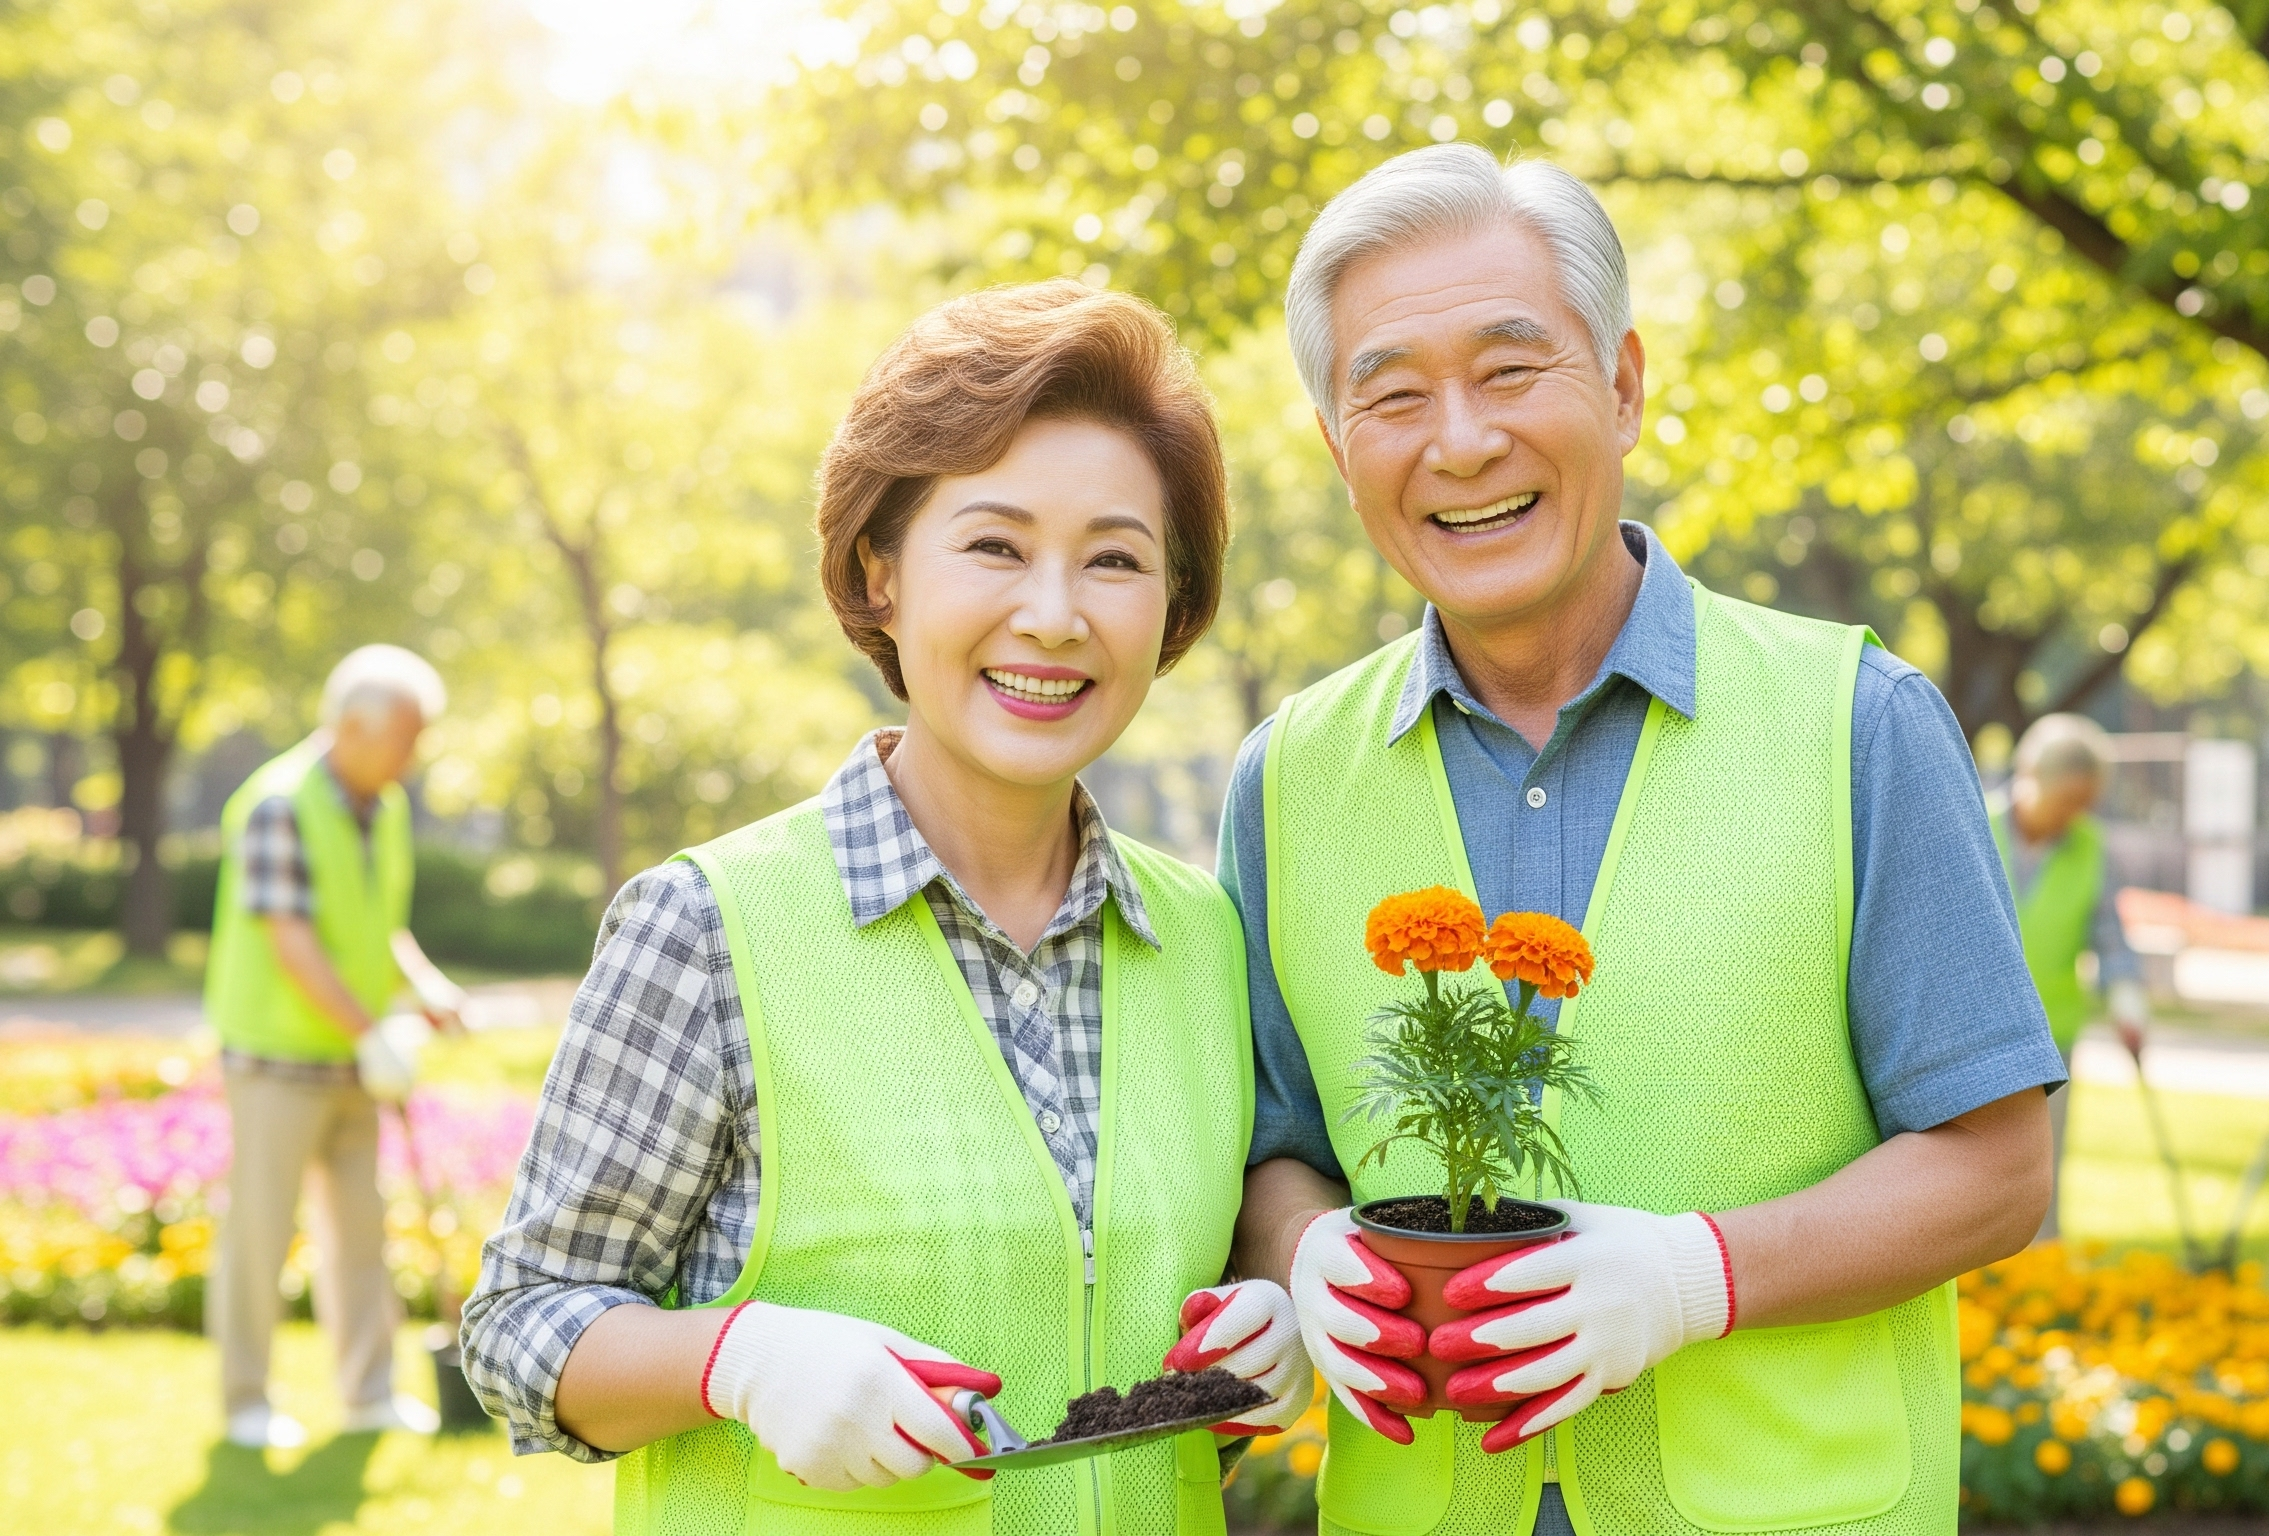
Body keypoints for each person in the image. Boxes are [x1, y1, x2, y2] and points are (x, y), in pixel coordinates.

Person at [1204, 146, 2061, 1536]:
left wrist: (1694, 1277)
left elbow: (1996, 1167)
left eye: (1510, 368)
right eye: (1394, 393)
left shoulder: (1861, 724)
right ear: (1334, 444)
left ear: (1624, 385)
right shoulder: (1287, 778)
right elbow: (1273, 1145)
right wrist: (1306, 1254)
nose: (1462, 440)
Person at [461, 282, 1307, 1535]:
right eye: (994, 545)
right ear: (879, 575)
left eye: (1116, 559)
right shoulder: (706, 928)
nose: (1055, 615)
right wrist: (738, 1364)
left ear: (1171, 610)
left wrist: (1263, 1320)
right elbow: (521, 1326)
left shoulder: (1203, 940)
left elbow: (1159, 1262)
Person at [205, 643, 469, 1449]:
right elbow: (291, 940)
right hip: (276, 1061)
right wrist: (369, 1032)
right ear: (354, 727)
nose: (413, 757)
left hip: (353, 1063)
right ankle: (245, 1402)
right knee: (260, 1232)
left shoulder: (380, 809)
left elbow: (376, 924)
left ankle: (369, 1396)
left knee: (361, 1233)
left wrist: (422, 986)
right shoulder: (278, 805)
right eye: (406, 738)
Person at [1995, 714, 2147, 1242]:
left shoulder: (2092, 849)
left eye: (2085, 802)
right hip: (1971, 1033)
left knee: (2039, 1179)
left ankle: (2042, 1275)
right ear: (2029, 775)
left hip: (2050, 1041)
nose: (2073, 815)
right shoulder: (1972, 828)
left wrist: (2127, 999)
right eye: (2066, 799)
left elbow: (2111, 938)